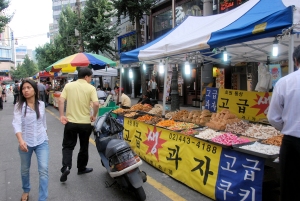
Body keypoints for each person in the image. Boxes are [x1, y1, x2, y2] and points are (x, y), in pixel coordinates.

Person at [267, 45, 300, 201]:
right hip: (291, 139)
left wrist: (286, 127)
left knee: (289, 186)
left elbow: (273, 117)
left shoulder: (285, 82)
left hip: (292, 142)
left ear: (295, 61)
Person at [58, 67, 99, 183]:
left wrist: (62, 115)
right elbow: (96, 104)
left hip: (70, 122)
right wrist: (94, 115)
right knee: (84, 146)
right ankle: (81, 168)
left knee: (68, 146)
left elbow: (61, 101)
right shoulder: (91, 88)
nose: (91, 79)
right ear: (86, 77)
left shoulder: (68, 86)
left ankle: (66, 167)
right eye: (90, 77)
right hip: (85, 123)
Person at [12, 79, 49, 201]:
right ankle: (26, 190)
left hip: (41, 141)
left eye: (28, 87)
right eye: (23, 88)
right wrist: (20, 140)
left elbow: (43, 123)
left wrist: (45, 135)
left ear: (35, 90)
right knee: (24, 169)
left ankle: (42, 198)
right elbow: (16, 124)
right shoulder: (19, 106)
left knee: (43, 170)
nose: (26, 90)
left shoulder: (41, 105)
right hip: (25, 143)